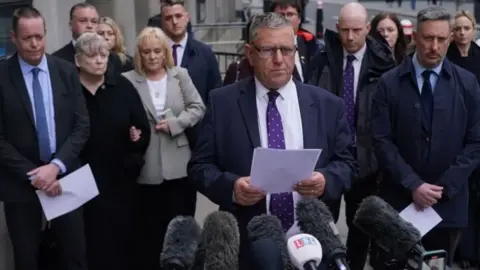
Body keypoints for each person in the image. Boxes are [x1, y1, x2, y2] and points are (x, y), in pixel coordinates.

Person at [188, 12, 357, 270]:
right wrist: (232, 188)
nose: (279, 60)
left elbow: (347, 164)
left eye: (286, 50)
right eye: (268, 50)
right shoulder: (223, 103)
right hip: (250, 246)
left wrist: (325, 181)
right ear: (250, 53)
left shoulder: (327, 105)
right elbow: (200, 168)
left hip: (313, 246)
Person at [372, 7, 480, 267]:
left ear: (450, 37)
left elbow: (476, 141)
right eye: (428, 38)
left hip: (448, 206)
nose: (434, 46)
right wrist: (413, 184)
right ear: (416, 37)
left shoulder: (467, 83)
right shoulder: (389, 83)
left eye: (441, 39)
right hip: (400, 202)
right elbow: (381, 140)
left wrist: (444, 188)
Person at [0, 6, 89, 270]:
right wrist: (35, 175)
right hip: (20, 184)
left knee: (74, 257)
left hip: (65, 178)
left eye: (39, 36)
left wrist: (56, 167)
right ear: (14, 38)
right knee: (27, 260)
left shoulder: (65, 71)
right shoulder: (2, 77)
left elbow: (81, 125)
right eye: (27, 38)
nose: (35, 44)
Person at [307, 4, 395, 270]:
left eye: (357, 30)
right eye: (344, 30)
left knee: (361, 229)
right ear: (337, 28)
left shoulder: (383, 64)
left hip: (366, 160)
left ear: (367, 28)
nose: (350, 36)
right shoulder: (323, 59)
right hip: (329, 160)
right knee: (323, 224)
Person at [122, 26, 205, 270]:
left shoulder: (180, 75)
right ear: (139, 53)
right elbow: (120, 115)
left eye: (157, 51)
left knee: (180, 226)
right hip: (146, 166)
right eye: (146, 51)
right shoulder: (128, 80)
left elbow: (197, 107)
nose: (152, 56)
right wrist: (130, 130)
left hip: (179, 162)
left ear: (165, 52)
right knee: (150, 230)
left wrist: (176, 123)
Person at [74, 32, 150, 270]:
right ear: (78, 60)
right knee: (88, 245)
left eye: (104, 55)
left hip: (120, 181)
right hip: (81, 182)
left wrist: (136, 138)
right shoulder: (68, 90)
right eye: (92, 55)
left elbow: (142, 129)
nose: (99, 60)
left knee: (123, 244)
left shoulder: (122, 86)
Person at [446, 11, 480, 268]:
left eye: (466, 28)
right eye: (457, 28)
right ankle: (459, 251)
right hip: (457, 132)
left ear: (474, 29)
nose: (462, 33)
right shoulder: (447, 58)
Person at [53, 3, 123, 78]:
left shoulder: (113, 58)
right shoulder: (56, 59)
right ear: (71, 25)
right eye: (83, 21)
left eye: (94, 21)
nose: (89, 25)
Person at [269, 0, 318, 82]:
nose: (285, 19)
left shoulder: (310, 45)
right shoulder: (262, 48)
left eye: (290, 14)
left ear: (299, 19)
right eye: (280, 15)